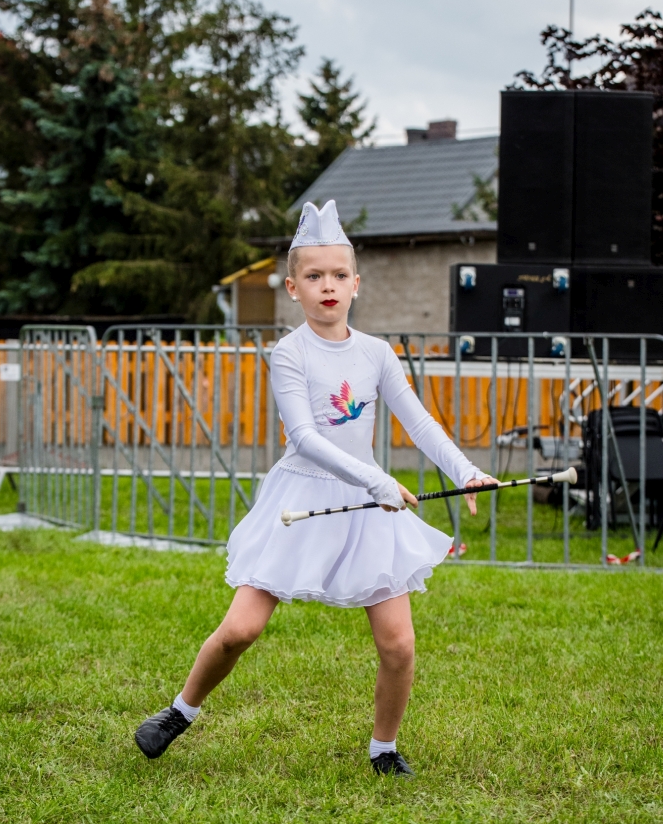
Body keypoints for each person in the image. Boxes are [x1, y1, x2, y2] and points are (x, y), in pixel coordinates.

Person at [135, 200, 494, 776]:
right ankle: (181, 711)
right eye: (314, 276)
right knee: (239, 631)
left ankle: (384, 748)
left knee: (398, 644)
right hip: (300, 500)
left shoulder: (376, 353)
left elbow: (420, 422)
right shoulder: (289, 352)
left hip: (367, 506)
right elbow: (303, 436)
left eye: (339, 275)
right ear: (293, 287)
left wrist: (464, 470)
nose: (328, 286)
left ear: (356, 284)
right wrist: (378, 479)